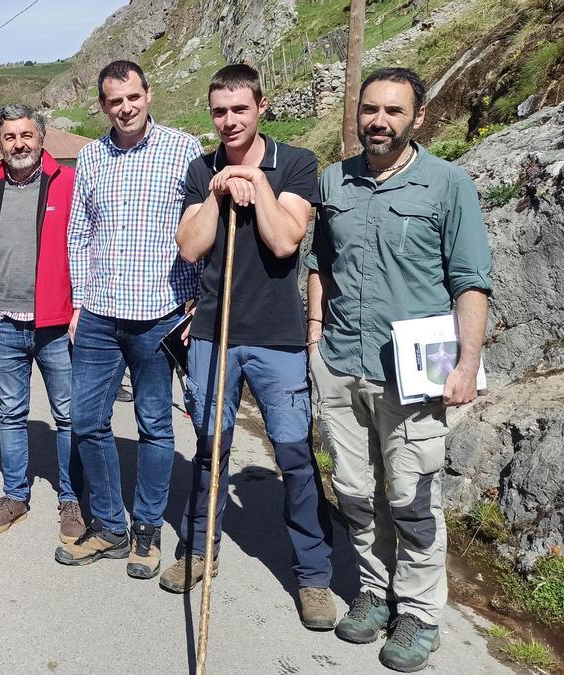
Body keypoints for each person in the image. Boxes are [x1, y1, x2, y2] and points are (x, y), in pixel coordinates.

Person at [306, 67, 492, 672]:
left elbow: (470, 281)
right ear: (357, 113)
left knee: (412, 496)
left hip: (417, 371)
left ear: (416, 118)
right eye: (369, 110)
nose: (379, 121)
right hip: (340, 361)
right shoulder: (334, 180)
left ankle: (418, 612)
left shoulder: (447, 184)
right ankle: (373, 591)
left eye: (393, 111)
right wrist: (314, 337)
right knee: (357, 494)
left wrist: (466, 363)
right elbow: (320, 264)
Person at [162, 64, 336, 631]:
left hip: (277, 337)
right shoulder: (199, 168)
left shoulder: (296, 162)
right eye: (219, 111)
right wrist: (216, 192)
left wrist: (256, 183)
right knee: (210, 450)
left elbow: (286, 240)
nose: (229, 120)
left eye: (240, 109)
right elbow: (190, 248)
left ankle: (312, 576)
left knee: (293, 456)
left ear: (262, 106)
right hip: (214, 333)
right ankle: (197, 549)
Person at [54, 60, 203, 580]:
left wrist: (197, 298)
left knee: (155, 427)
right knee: (89, 421)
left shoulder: (183, 149)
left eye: (133, 97)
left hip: (160, 313)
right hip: (98, 314)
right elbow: (78, 233)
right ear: (103, 105)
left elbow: (201, 224)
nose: (125, 107)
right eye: (114, 101)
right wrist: (77, 304)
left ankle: (146, 532)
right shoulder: (92, 156)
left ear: (148, 94)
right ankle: (111, 527)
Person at [0, 104, 86, 543]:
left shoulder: (70, 184)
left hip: (57, 324)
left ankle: (72, 499)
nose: (18, 143)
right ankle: (15, 495)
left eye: (26, 135)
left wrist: (81, 306)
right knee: (11, 413)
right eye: (9, 137)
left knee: (68, 414)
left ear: (42, 138)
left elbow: (88, 248)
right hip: (4, 322)